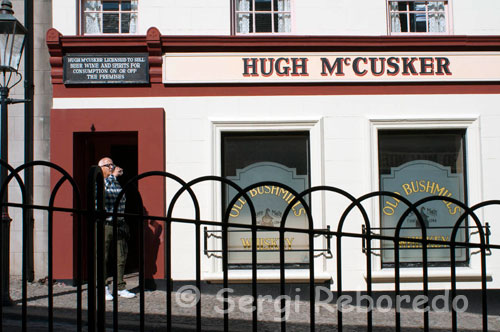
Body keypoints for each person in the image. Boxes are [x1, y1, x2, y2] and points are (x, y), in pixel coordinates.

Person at [98, 157, 135, 300]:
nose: (113, 168)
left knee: (121, 256)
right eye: (109, 165)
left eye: (113, 165)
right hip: (106, 223)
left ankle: (120, 286)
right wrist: (113, 176)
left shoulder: (115, 182)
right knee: (104, 257)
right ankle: (103, 287)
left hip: (119, 223)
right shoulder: (100, 181)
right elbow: (104, 194)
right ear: (102, 168)